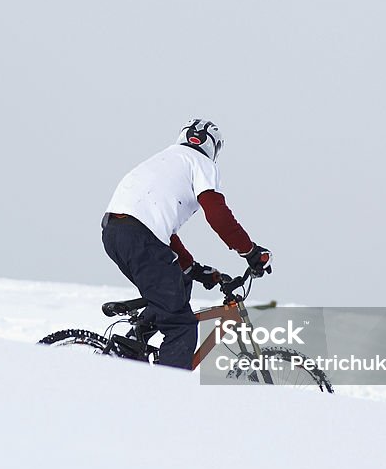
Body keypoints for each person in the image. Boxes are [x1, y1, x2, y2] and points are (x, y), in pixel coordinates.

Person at [102, 120, 272, 369]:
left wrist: (193, 269)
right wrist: (251, 251)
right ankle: (169, 396)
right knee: (181, 325)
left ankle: (132, 347)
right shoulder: (202, 163)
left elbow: (160, 231)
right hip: (141, 238)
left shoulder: (165, 159)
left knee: (178, 282)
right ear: (214, 147)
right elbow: (218, 215)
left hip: (116, 233)